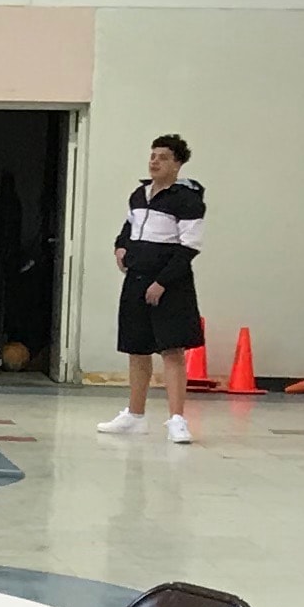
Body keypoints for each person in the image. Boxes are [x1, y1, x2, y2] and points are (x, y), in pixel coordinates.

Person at [99, 134, 205, 447]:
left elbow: (189, 247)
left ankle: (177, 419)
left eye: (162, 157)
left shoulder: (187, 200)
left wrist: (162, 282)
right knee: (137, 349)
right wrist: (120, 247)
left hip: (170, 284)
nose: (154, 161)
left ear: (177, 164)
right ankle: (135, 415)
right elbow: (129, 227)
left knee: (171, 350)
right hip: (136, 279)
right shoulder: (139, 194)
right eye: (152, 155)